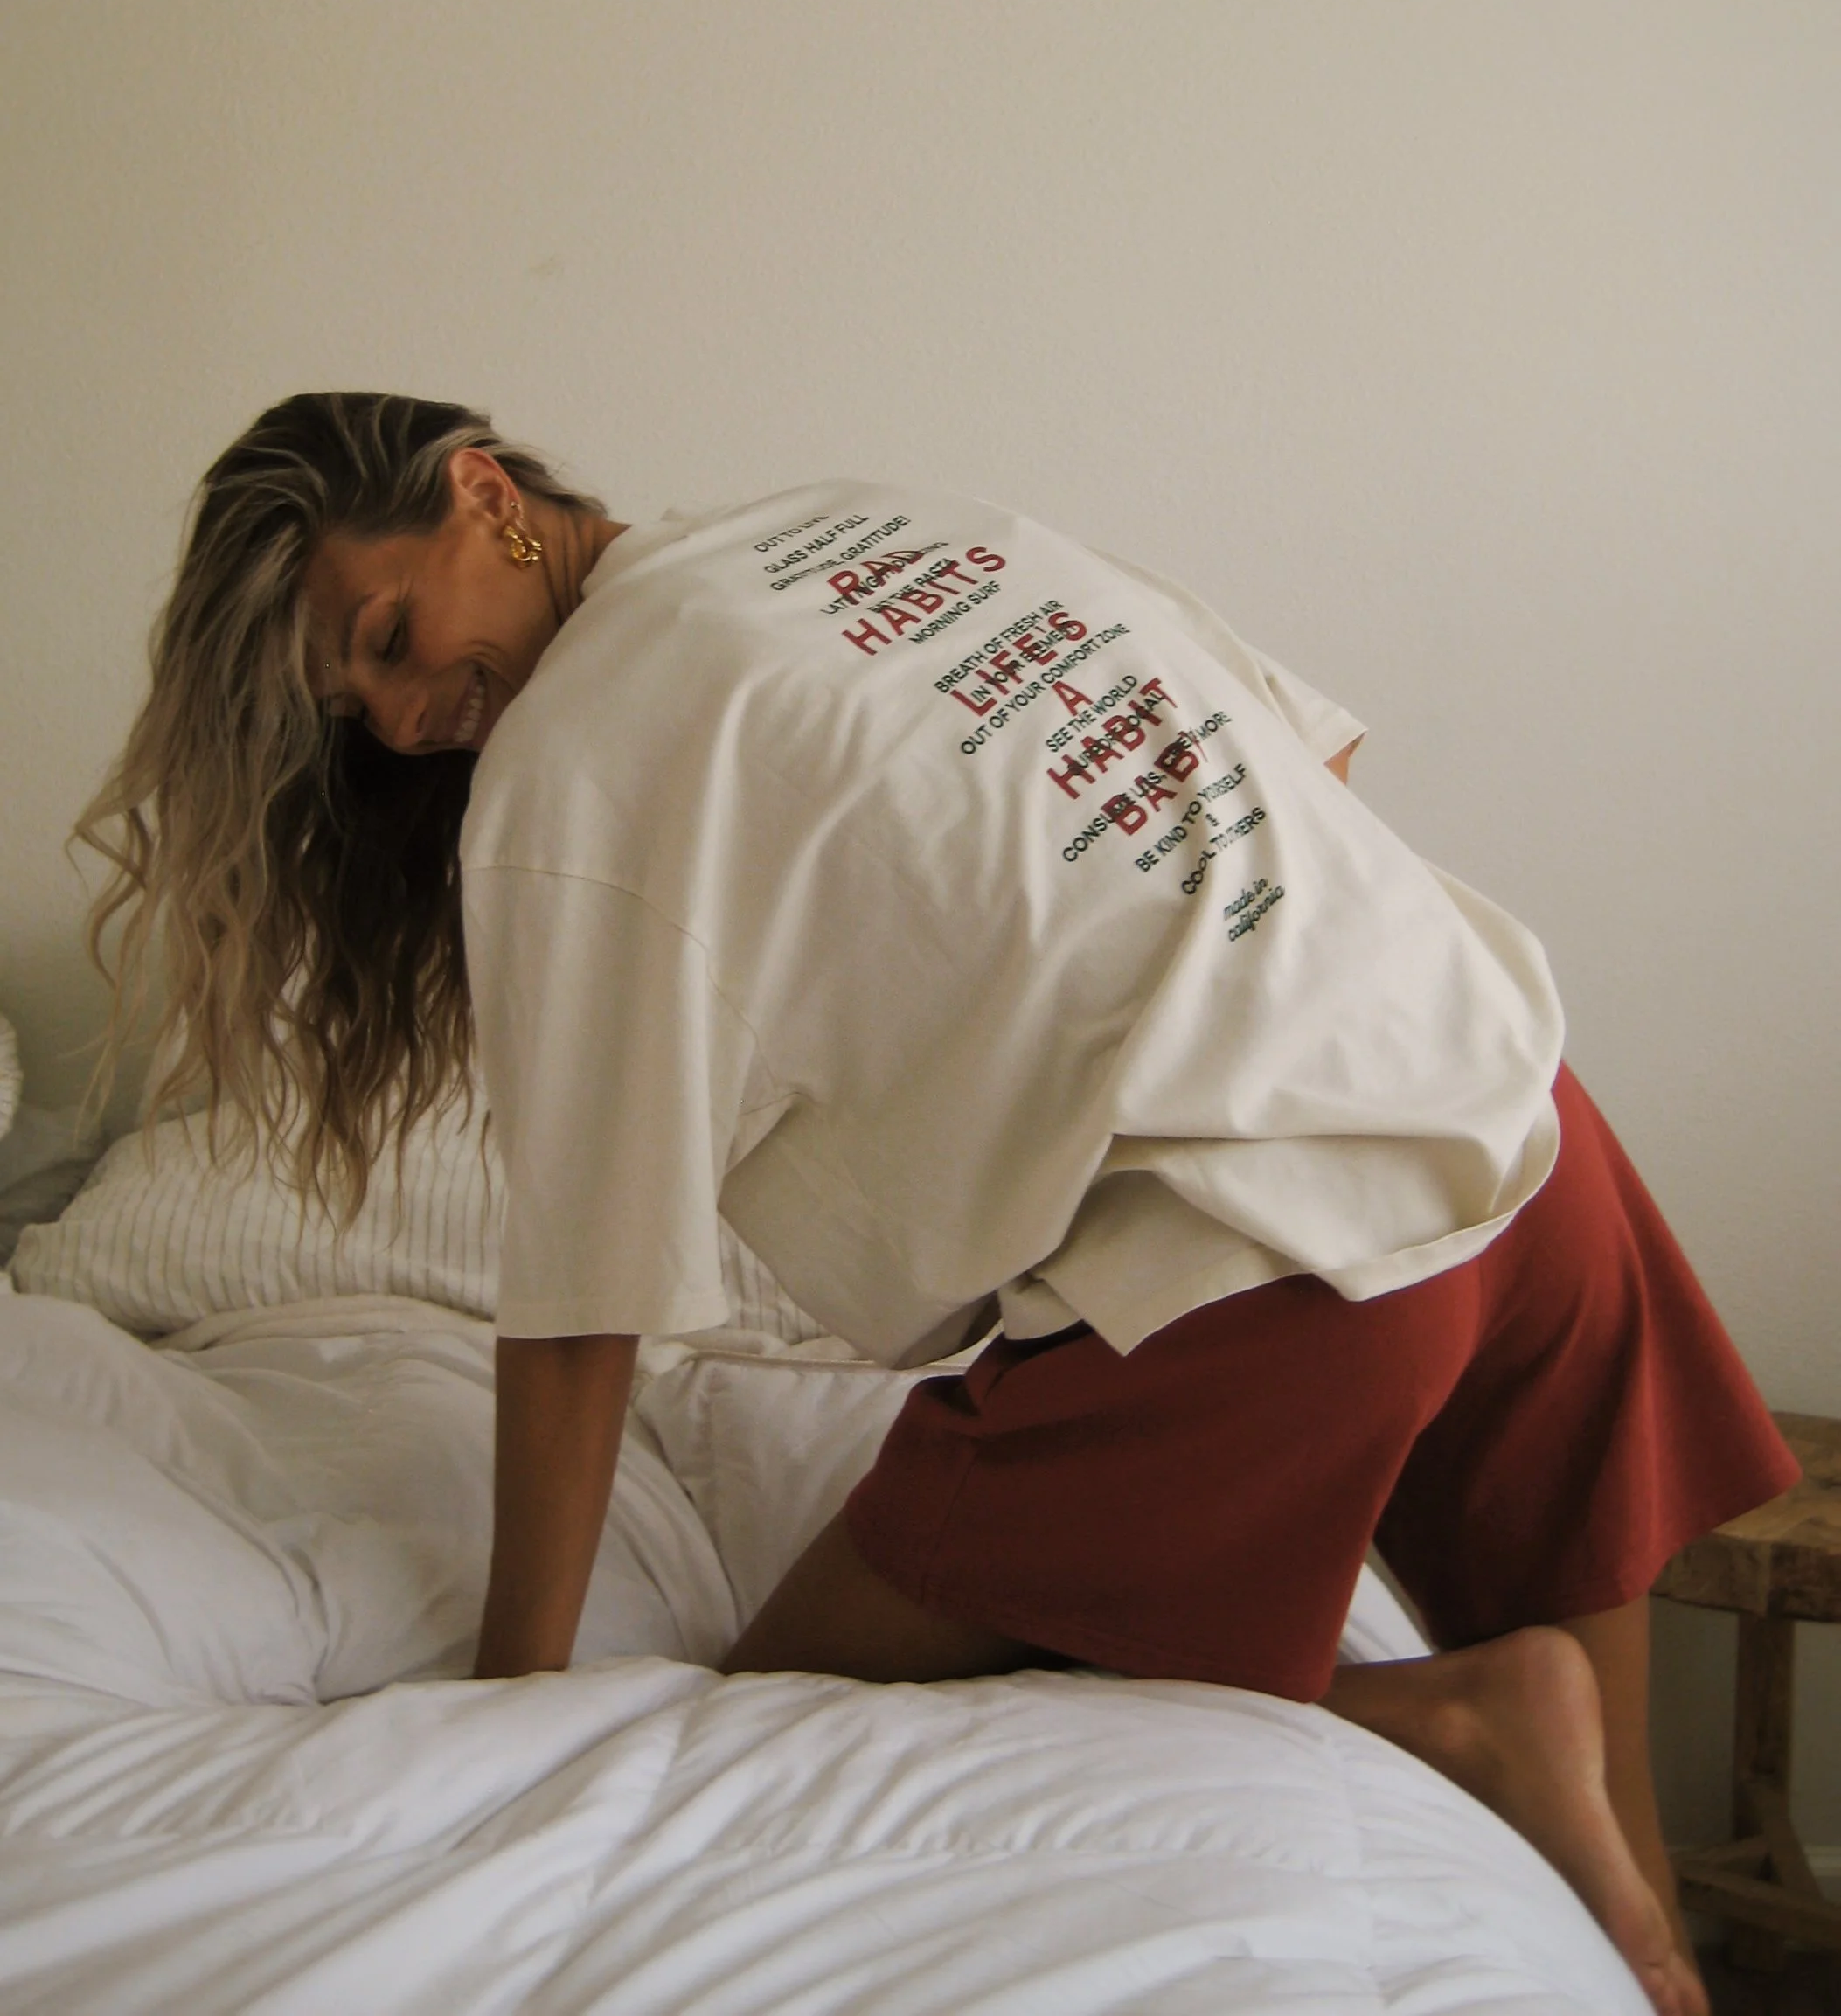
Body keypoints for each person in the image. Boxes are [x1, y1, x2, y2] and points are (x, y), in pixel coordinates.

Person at [82, 393, 1798, 2016]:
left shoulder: (567, 768)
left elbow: (580, 1300)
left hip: (1277, 1258)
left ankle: (1458, 1725)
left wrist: (515, 1706)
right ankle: (1592, 1838)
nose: (393, 718)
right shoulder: (867, 522)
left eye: (384, 640)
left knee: (771, 1722)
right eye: (347, 708)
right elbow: (1311, 765)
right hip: (1513, 1101)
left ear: (481, 494)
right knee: (1628, 1916)